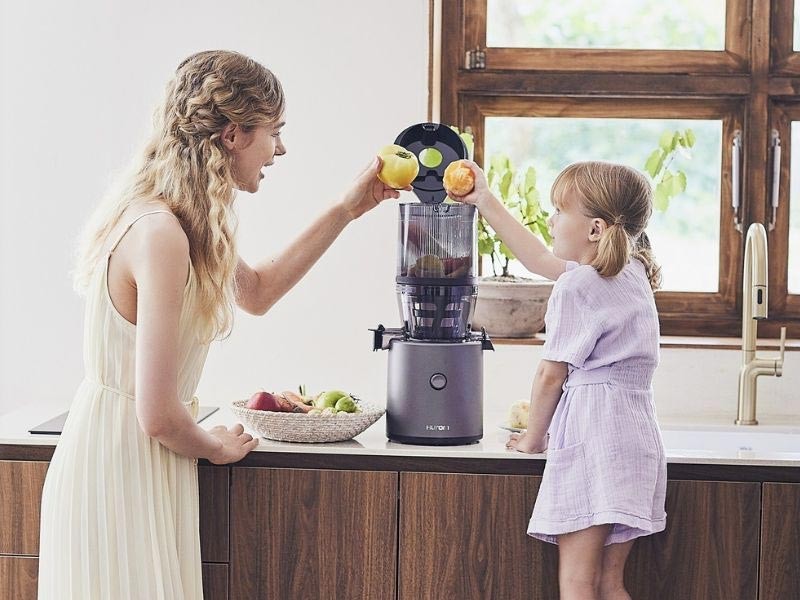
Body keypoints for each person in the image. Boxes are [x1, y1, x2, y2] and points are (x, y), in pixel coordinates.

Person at [37, 50, 403, 600]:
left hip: (137, 459)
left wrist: (346, 210)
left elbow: (257, 293)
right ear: (233, 135)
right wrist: (215, 446)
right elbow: (158, 415)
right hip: (119, 464)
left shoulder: (180, 224)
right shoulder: (161, 233)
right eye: (274, 132)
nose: (280, 149)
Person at [451, 160, 666, 600]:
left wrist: (533, 439)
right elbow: (539, 259)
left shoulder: (577, 287)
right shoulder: (632, 274)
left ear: (595, 229)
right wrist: (484, 200)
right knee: (610, 583)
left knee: (577, 582)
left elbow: (552, 374)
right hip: (637, 439)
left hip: (594, 437)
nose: (550, 220)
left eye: (559, 210)